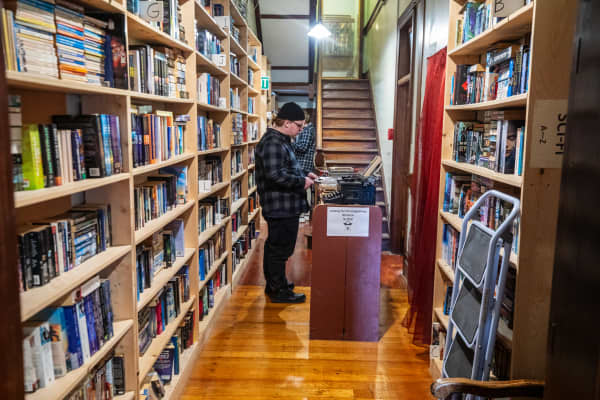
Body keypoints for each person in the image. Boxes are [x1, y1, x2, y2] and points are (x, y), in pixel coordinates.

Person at [256, 102, 318, 303]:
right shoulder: (273, 142)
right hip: (280, 206)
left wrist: (303, 173)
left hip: (284, 205)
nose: (301, 130)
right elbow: (275, 175)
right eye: (299, 126)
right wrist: (302, 182)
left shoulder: (281, 140)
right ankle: (277, 290)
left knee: (278, 247)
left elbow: (286, 167)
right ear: (287, 123)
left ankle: (276, 283)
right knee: (279, 249)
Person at [292, 111, 316, 223]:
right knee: (304, 189)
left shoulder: (307, 130)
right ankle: (304, 213)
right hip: (303, 162)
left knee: (303, 189)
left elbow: (302, 147)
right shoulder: (308, 130)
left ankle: (303, 214)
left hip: (304, 162)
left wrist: (291, 142)